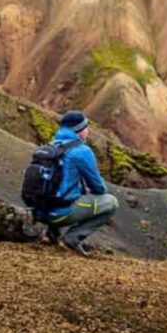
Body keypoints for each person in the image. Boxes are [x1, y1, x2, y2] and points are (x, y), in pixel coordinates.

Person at [42, 110, 119, 257]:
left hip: (41, 212)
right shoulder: (81, 151)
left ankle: (51, 234)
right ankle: (72, 238)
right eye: (86, 127)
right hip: (61, 214)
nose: (88, 131)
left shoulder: (51, 146)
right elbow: (99, 188)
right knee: (111, 202)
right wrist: (90, 188)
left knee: (62, 191)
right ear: (80, 130)